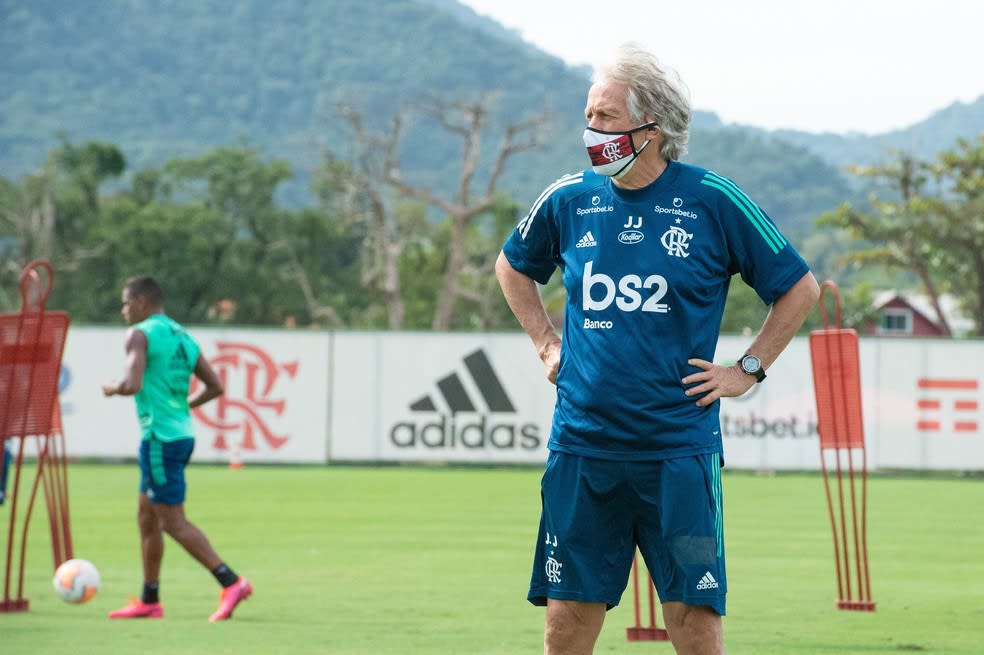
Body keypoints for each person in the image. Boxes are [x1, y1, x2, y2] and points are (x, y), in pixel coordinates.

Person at [495, 43, 820, 655]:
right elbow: (513, 268)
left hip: (678, 456)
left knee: (695, 625)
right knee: (564, 624)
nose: (592, 131)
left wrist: (747, 369)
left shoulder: (713, 199)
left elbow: (797, 288)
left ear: (655, 128)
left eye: (607, 118)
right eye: (589, 116)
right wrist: (545, 341)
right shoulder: (569, 198)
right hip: (583, 449)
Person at [101, 276, 252, 621]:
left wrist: (111, 387)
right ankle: (150, 599)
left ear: (141, 302)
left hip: (159, 440)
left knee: (172, 522)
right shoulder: (182, 336)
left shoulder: (139, 334)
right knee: (146, 517)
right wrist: (184, 406)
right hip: (181, 435)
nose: (124, 310)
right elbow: (215, 386)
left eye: (126, 303)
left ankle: (231, 582)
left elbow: (131, 383)